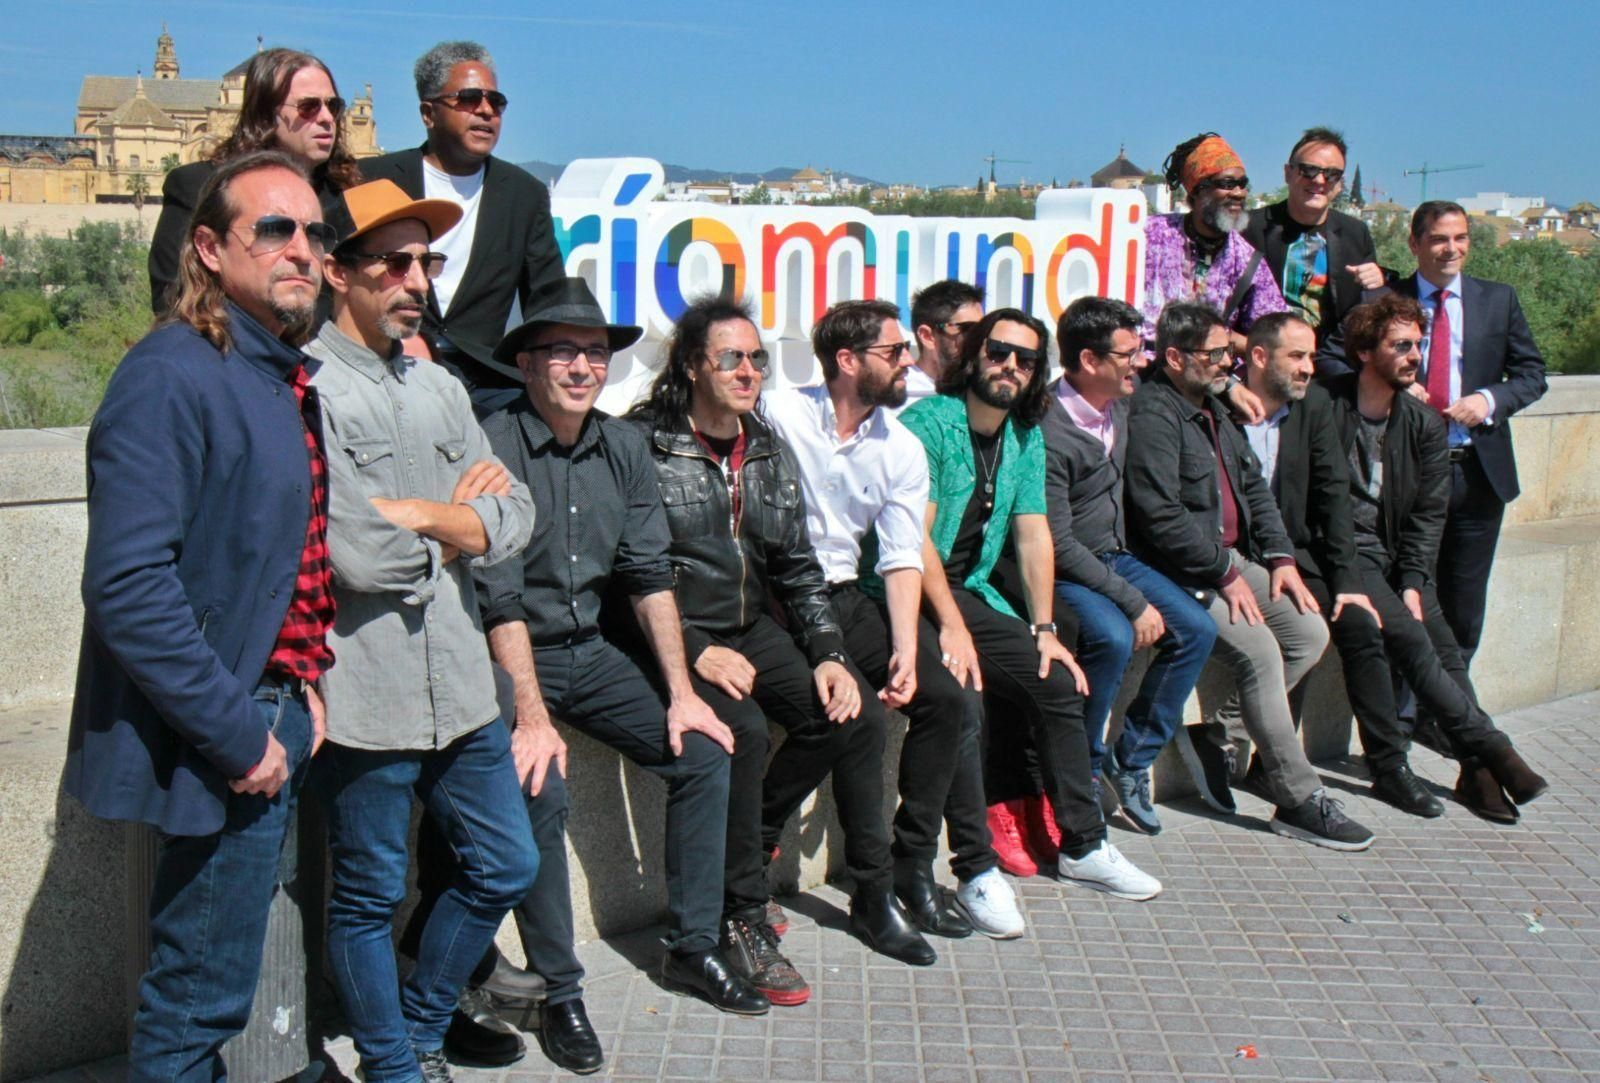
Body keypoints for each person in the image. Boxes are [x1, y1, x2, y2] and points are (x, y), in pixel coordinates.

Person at [65, 150, 336, 1081]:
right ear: (211, 249)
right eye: (276, 229)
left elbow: (280, 557)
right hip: (221, 733)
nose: (302, 249)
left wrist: (303, 678)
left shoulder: (268, 372)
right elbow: (129, 586)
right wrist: (241, 734)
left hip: (265, 709)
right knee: (196, 1004)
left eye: (314, 233)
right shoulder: (172, 373)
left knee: (213, 991)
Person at [474, 279, 767, 1047]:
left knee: (703, 749)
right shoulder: (492, 441)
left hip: (590, 650)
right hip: (506, 655)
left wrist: (682, 691)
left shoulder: (623, 446)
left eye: (595, 352)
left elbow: (648, 575)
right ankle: (559, 989)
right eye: (562, 351)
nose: (582, 367)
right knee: (539, 784)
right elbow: (497, 594)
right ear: (527, 363)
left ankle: (692, 946)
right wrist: (531, 716)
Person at [629, 296, 938, 991]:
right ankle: (741, 912)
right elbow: (627, 569)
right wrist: (695, 645)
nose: (748, 372)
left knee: (852, 712)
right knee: (738, 731)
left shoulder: (764, 444)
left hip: (749, 623)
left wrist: (828, 653)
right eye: (730, 359)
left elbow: (797, 565)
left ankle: (865, 890)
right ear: (692, 365)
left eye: (757, 359)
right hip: (675, 629)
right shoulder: (644, 442)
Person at [304, 178, 539, 1082]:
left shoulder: (439, 384)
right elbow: (358, 557)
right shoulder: (311, 389)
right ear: (338, 271)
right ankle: (394, 1063)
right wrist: (461, 528)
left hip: (463, 684)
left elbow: (515, 518)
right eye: (394, 262)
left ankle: (422, 1025)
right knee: (366, 895)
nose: (416, 279)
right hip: (367, 692)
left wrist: (430, 518)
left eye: (426, 261)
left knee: (505, 863)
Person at [764, 299, 1024, 940]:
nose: (909, 360)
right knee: (862, 718)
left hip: (846, 595)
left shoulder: (899, 446)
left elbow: (904, 555)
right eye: (894, 350)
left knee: (947, 695)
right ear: (847, 361)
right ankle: (867, 887)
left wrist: (907, 648)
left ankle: (913, 864)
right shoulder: (778, 413)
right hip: (776, 596)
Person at [900, 307, 1163, 900]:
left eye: (1025, 359)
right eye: (998, 352)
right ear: (973, 354)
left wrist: (1043, 629)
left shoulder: (1024, 436)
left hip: (969, 591)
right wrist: (952, 626)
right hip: (907, 591)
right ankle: (976, 864)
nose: (1010, 367)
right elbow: (915, 541)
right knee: (965, 697)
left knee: (1057, 679)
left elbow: (1033, 534)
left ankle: (1084, 846)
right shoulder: (930, 423)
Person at [1126, 302, 1374, 851]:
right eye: (1215, 354)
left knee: (1308, 632)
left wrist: (1281, 560)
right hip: (1179, 570)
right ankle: (1298, 797)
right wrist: (1223, 573)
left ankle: (1219, 734)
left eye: (1227, 352)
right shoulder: (1153, 415)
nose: (1227, 363)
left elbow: (1255, 489)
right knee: (1260, 651)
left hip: (1230, 561)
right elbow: (1159, 516)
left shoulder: (1215, 406)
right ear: (1174, 357)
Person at [1291, 296, 1547, 821]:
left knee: (1444, 647)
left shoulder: (1423, 423)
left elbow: (1429, 517)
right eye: (1401, 345)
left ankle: (1476, 769)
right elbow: (1320, 504)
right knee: (1404, 635)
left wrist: (1412, 578)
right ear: (1365, 352)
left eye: (1418, 345)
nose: (1415, 356)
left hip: (1393, 557)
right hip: (1339, 553)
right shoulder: (1323, 406)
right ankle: (1489, 750)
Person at [1042, 297, 1218, 836]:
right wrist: (1132, 600)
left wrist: (1233, 387)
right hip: (1067, 569)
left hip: (1117, 557)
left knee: (1196, 629)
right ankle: (1084, 771)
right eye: (1128, 353)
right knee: (1114, 636)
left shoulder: (1122, 402)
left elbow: (1187, 379)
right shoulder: (1048, 430)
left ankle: (1133, 758)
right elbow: (1056, 543)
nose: (1139, 362)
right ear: (1089, 360)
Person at [361, 41, 565, 410]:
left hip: (488, 385)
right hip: (383, 371)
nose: (486, 110)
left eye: (496, 102)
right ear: (428, 113)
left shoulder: (524, 195)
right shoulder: (373, 180)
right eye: (470, 98)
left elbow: (547, 301)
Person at [1388, 201, 1547, 673]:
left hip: (1477, 473)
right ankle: (1404, 704)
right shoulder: (1386, 301)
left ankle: (1451, 703)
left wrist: (1488, 400)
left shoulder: (1498, 300)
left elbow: (1532, 374)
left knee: (1464, 605)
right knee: (1407, 594)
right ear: (1415, 243)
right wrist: (1395, 385)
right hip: (1409, 473)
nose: (1451, 249)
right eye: (1439, 238)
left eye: (1460, 238)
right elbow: (1340, 360)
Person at [149, 48, 361, 313]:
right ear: (266, 114)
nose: (327, 118)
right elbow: (172, 295)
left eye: (334, 106)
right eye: (309, 107)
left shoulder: (348, 196)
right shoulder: (197, 187)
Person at [1243, 127, 1383, 375]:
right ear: (1288, 173)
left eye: (1331, 174)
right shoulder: (1250, 228)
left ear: (1339, 184)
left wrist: (1378, 282)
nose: (1319, 180)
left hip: (1329, 368)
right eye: (1309, 170)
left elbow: (1364, 310)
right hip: (1263, 366)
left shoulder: (1355, 234)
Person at [1143, 132, 1287, 356]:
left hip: (1213, 369)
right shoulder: (1150, 235)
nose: (1239, 193)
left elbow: (1273, 339)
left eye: (1242, 184)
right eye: (1227, 184)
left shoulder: (1246, 260)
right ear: (1197, 190)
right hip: (1143, 366)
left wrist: (1220, 341)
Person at [906, 279, 985, 404]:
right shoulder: (895, 397)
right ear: (927, 336)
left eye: (983, 329)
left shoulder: (984, 393)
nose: (979, 339)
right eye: (968, 329)